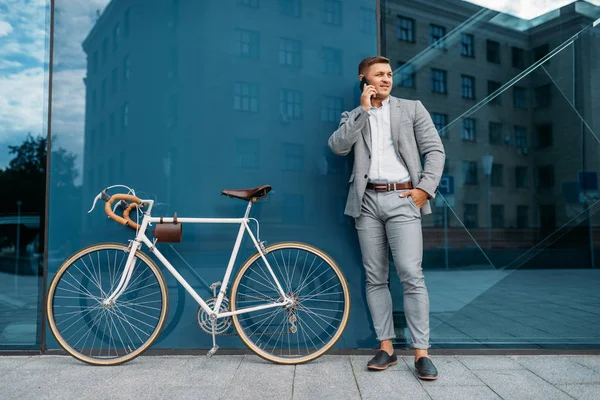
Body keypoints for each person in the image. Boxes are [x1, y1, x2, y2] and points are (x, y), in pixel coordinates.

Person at [328, 56, 445, 379]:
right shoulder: (353, 115)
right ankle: (386, 348)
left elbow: (435, 150)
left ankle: (421, 353)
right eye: (378, 74)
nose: (386, 79)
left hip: (403, 198)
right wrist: (363, 112)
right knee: (375, 276)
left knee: (411, 273)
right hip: (366, 202)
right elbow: (338, 147)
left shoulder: (412, 109)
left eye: (389, 74)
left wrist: (424, 189)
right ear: (363, 79)